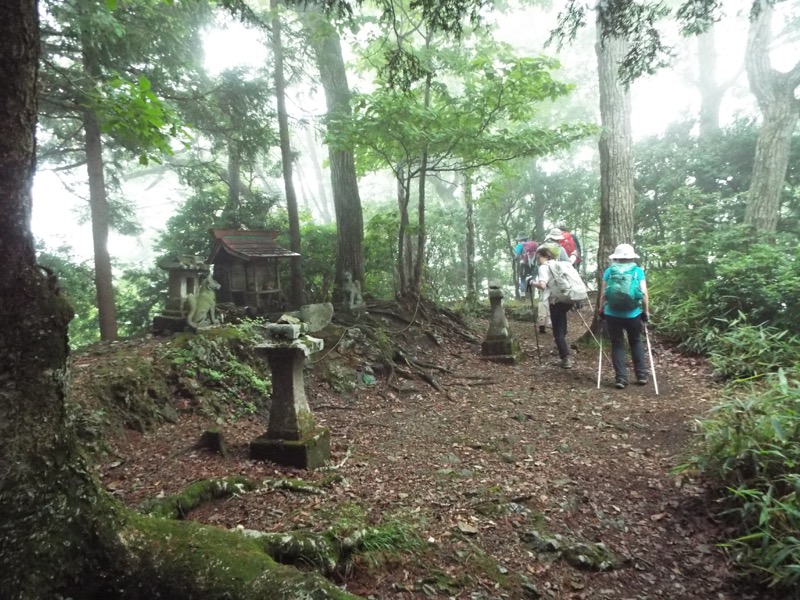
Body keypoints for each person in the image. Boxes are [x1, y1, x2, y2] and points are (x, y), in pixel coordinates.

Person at [598, 243, 650, 389]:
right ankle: (641, 375)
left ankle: (621, 378)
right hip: (633, 313)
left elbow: (603, 294)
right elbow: (644, 294)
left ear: (617, 257)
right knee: (635, 341)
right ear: (632, 257)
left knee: (617, 344)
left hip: (612, 313)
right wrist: (645, 312)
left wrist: (601, 310)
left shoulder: (609, 271)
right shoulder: (638, 271)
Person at [530, 246, 573, 369]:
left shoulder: (544, 267)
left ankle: (565, 358)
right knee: (562, 326)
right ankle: (563, 345)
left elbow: (543, 285)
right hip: (568, 298)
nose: (537, 260)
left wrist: (532, 282)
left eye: (538, 257)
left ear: (544, 256)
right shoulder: (559, 264)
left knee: (557, 332)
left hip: (556, 300)